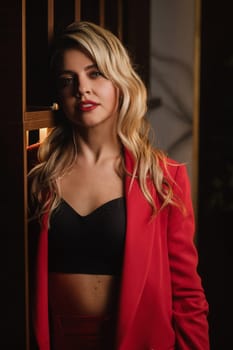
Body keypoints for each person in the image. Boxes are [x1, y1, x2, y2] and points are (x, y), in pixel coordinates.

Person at [27, 21, 210, 350]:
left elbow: (187, 295)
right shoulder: (36, 169)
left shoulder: (161, 177)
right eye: (68, 81)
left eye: (95, 73)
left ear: (119, 81)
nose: (82, 89)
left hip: (137, 341)